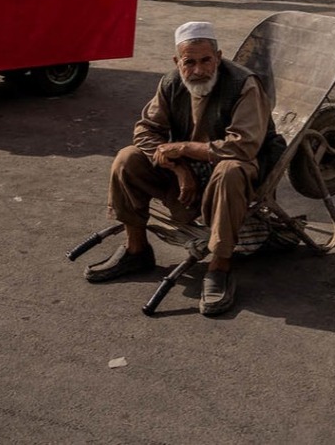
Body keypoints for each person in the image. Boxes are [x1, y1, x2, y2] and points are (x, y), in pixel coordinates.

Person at [88, 21, 285, 318]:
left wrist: (182, 148)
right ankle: (136, 250)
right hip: (190, 169)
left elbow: (243, 146)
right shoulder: (171, 83)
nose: (198, 70)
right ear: (177, 62)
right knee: (127, 159)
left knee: (230, 170)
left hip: (238, 168)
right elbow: (146, 130)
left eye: (206, 60)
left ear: (218, 57)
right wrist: (179, 168)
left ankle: (220, 267)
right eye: (189, 62)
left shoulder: (243, 84)